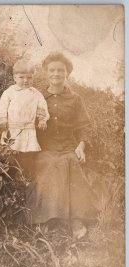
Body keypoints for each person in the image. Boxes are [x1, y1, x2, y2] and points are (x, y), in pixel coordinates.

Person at [26, 52, 100, 239]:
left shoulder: (75, 99)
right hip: (45, 148)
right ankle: (44, 220)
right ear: (45, 72)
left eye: (61, 70)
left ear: (67, 73)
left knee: (70, 162)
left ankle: (77, 220)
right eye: (52, 70)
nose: (56, 74)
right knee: (48, 165)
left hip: (68, 147)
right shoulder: (37, 97)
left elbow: (84, 126)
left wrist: (81, 147)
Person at [0, 59, 49, 174]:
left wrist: (42, 119)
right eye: (21, 77)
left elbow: (42, 108)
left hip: (29, 129)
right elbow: (2, 108)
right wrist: (2, 119)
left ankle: (26, 177)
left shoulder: (35, 93)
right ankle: (10, 176)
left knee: (27, 154)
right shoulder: (9, 92)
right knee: (10, 152)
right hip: (12, 128)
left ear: (33, 78)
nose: (25, 80)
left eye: (29, 77)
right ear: (15, 77)